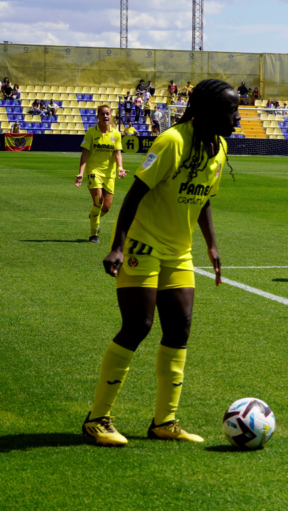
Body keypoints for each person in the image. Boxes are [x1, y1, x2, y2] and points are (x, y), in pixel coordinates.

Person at [82, 78, 238, 447]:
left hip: (179, 251)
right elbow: (135, 194)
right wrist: (118, 246)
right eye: (231, 109)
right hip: (143, 245)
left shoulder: (219, 147)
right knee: (138, 325)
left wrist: (212, 246)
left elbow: (204, 197)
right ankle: (96, 419)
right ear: (210, 112)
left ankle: (164, 421)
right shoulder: (172, 141)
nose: (237, 116)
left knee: (179, 329)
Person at [74, 104, 128, 243]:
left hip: (109, 173)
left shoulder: (116, 133)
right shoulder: (91, 132)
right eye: (102, 114)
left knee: (106, 207)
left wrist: (120, 168)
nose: (105, 116)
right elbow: (85, 154)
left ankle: (94, 216)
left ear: (111, 116)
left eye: (108, 114)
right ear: (98, 116)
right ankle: (93, 235)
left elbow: (117, 153)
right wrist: (80, 173)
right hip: (94, 171)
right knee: (98, 201)